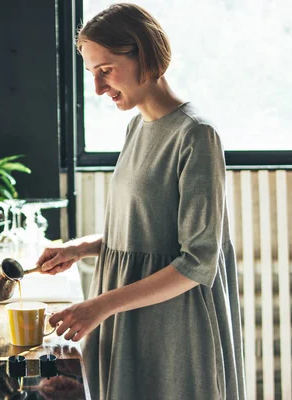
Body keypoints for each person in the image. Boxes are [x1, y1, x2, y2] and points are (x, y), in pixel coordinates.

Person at [36, 3, 246, 399]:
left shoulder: (196, 135)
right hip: (127, 316)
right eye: (92, 74)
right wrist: (80, 247)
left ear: (144, 53)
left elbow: (198, 262)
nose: (98, 89)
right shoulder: (136, 126)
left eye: (106, 70)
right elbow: (145, 230)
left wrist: (98, 307)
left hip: (173, 331)